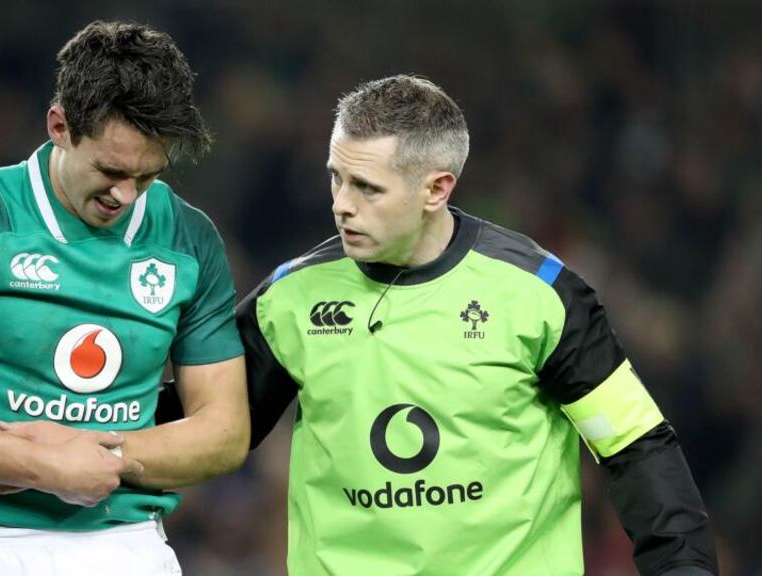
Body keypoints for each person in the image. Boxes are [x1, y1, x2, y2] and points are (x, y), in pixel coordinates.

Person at [234, 75, 718, 574]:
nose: (341, 204)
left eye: (367, 188)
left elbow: (636, 446)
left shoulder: (540, 294)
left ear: (437, 189)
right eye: (336, 177)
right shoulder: (289, 298)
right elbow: (203, 423)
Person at [0, 20, 249, 575]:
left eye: (148, 176)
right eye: (111, 171)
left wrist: (109, 456)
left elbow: (226, 431)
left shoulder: (189, 238)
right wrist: (42, 465)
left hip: (127, 544)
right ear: (60, 125)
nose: (126, 195)